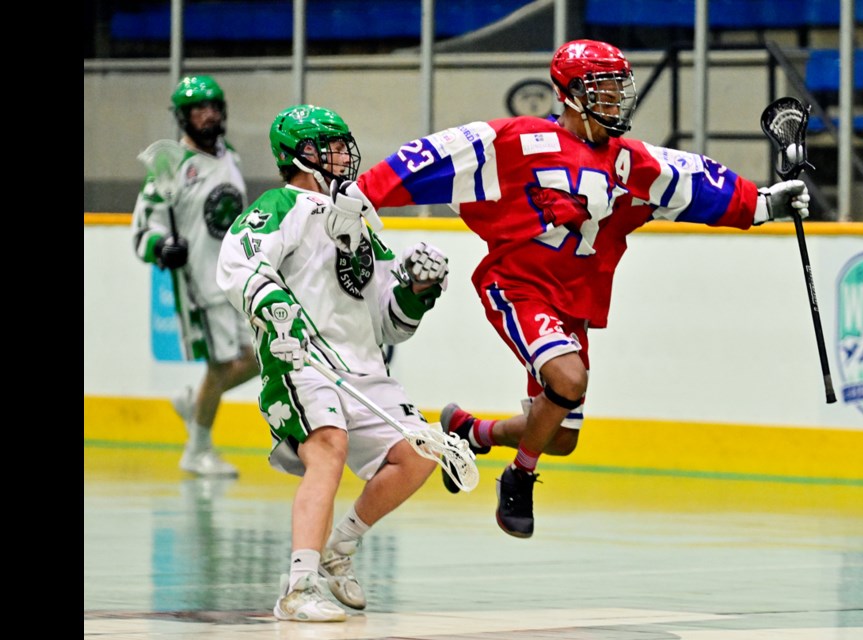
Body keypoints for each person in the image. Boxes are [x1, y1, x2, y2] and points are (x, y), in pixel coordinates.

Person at [325, 39, 810, 539]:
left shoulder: (631, 161)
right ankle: (519, 477)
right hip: (518, 285)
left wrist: (764, 204)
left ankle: (469, 431)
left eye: (620, 87)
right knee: (569, 380)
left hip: (574, 301)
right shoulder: (517, 141)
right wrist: (365, 191)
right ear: (571, 93)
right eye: (603, 87)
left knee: (560, 436)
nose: (616, 97)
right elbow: (433, 156)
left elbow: (697, 185)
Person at [217, 104, 449, 622]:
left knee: (420, 453)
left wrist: (416, 289)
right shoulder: (280, 204)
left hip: (362, 365)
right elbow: (238, 264)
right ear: (296, 154)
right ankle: (297, 589)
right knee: (329, 447)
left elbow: (390, 324)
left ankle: (339, 549)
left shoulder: (364, 216)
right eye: (330, 145)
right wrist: (276, 307)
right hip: (301, 360)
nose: (343, 154)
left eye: (344, 143)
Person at [132, 75, 259, 477]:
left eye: (213, 107)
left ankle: (195, 400)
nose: (207, 115)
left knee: (258, 357)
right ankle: (197, 449)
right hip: (202, 285)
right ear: (183, 118)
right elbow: (142, 230)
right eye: (197, 109)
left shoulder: (228, 155)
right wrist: (160, 248)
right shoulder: (171, 168)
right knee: (222, 366)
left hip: (237, 279)